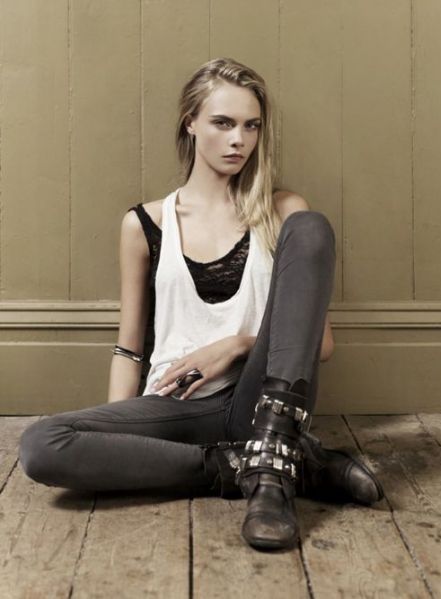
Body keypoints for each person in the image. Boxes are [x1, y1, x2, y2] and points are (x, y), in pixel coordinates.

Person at [18, 57, 383, 551]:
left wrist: (236, 346)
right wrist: (119, 441)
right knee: (42, 445)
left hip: (262, 399)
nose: (239, 140)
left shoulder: (282, 212)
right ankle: (268, 465)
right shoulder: (145, 224)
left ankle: (272, 455)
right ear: (190, 123)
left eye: (251, 126)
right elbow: (129, 349)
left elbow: (320, 346)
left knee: (312, 226)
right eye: (223, 123)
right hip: (176, 407)